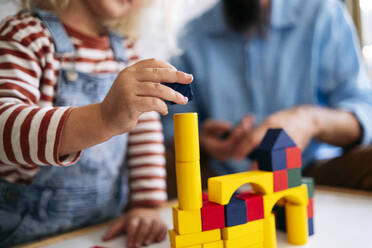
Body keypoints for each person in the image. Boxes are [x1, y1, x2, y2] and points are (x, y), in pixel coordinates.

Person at [0, 0, 193, 247]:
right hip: (24, 231)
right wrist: (102, 119)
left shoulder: (126, 53)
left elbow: (144, 133)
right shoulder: (24, 36)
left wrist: (147, 204)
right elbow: (5, 129)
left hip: (102, 227)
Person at [163, 0, 372, 191]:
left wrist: (310, 120)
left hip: (313, 171)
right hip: (222, 179)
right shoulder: (188, 36)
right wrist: (201, 141)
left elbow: (364, 112)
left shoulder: (323, 14)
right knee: (161, 164)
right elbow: (170, 126)